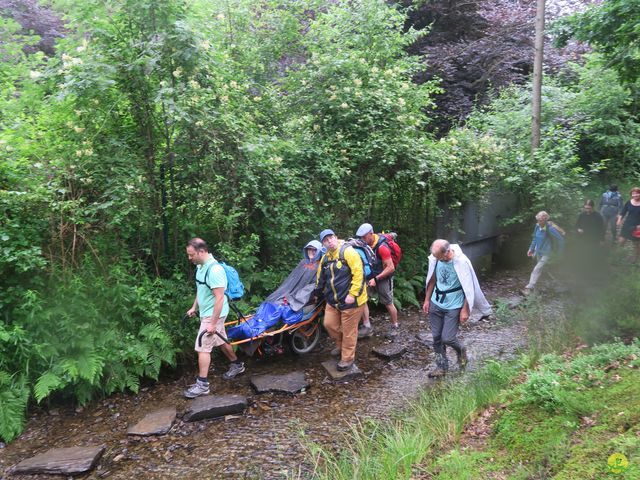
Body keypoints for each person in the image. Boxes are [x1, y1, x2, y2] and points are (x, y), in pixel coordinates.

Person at [183, 238, 245, 399]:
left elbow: (219, 298)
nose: (189, 258)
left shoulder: (215, 271)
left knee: (202, 347)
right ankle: (237, 365)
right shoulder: (200, 266)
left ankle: (202, 384)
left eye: (191, 255)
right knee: (220, 340)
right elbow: (201, 288)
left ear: (201, 252)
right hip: (207, 312)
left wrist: (212, 323)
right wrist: (194, 307)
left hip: (214, 314)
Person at [421, 239, 492, 377]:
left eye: (438, 257)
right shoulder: (436, 260)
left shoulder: (461, 262)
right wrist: (427, 300)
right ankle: (441, 367)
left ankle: (461, 350)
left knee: (448, 338)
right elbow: (432, 280)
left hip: (454, 305)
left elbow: (468, 287)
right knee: (436, 338)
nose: (436, 259)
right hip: (436, 302)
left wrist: (465, 309)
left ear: (446, 253)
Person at [315, 229, 367, 371]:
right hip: (333, 301)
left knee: (349, 331)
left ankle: (347, 359)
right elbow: (320, 278)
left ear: (336, 238)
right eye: (325, 240)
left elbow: (359, 275)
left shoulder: (348, 252)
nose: (329, 241)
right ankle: (341, 345)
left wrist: (353, 294)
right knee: (329, 324)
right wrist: (316, 293)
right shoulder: (325, 258)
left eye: (331, 238)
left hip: (352, 301)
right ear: (323, 244)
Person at [355, 223, 398, 339]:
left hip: (383, 277)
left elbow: (391, 267)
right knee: (362, 298)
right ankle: (367, 326)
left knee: (388, 303)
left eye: (364, 237)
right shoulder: (366, 245)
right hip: (371, 276)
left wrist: (376, 279)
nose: (362, 240)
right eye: (361, 237)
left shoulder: (382, 247)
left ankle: (395, 326)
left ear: (371, 233)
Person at [522, 211, 565, 295]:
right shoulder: (537, 226)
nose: (539, 222)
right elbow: (534, 238)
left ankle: (529, 287)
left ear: (545, 220)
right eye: (538, 220)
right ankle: (557, 283)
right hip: (538, 251)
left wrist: (559, 253)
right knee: (541, 269)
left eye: (541, 220)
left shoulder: (550, 229)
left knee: (537, 269)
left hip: (547, 252)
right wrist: (531, 249)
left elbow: (561, 240)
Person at [617, 187, 640, 264]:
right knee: (621, 241)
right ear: (631, 195)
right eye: (633, 193)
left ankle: (635, 260)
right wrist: (619, 219)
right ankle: (618, 256)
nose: (635, 195)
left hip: (637, 227)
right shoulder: (629, 202)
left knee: (636, 244)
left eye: (637, 193)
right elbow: (623, 212)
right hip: (627, 224)